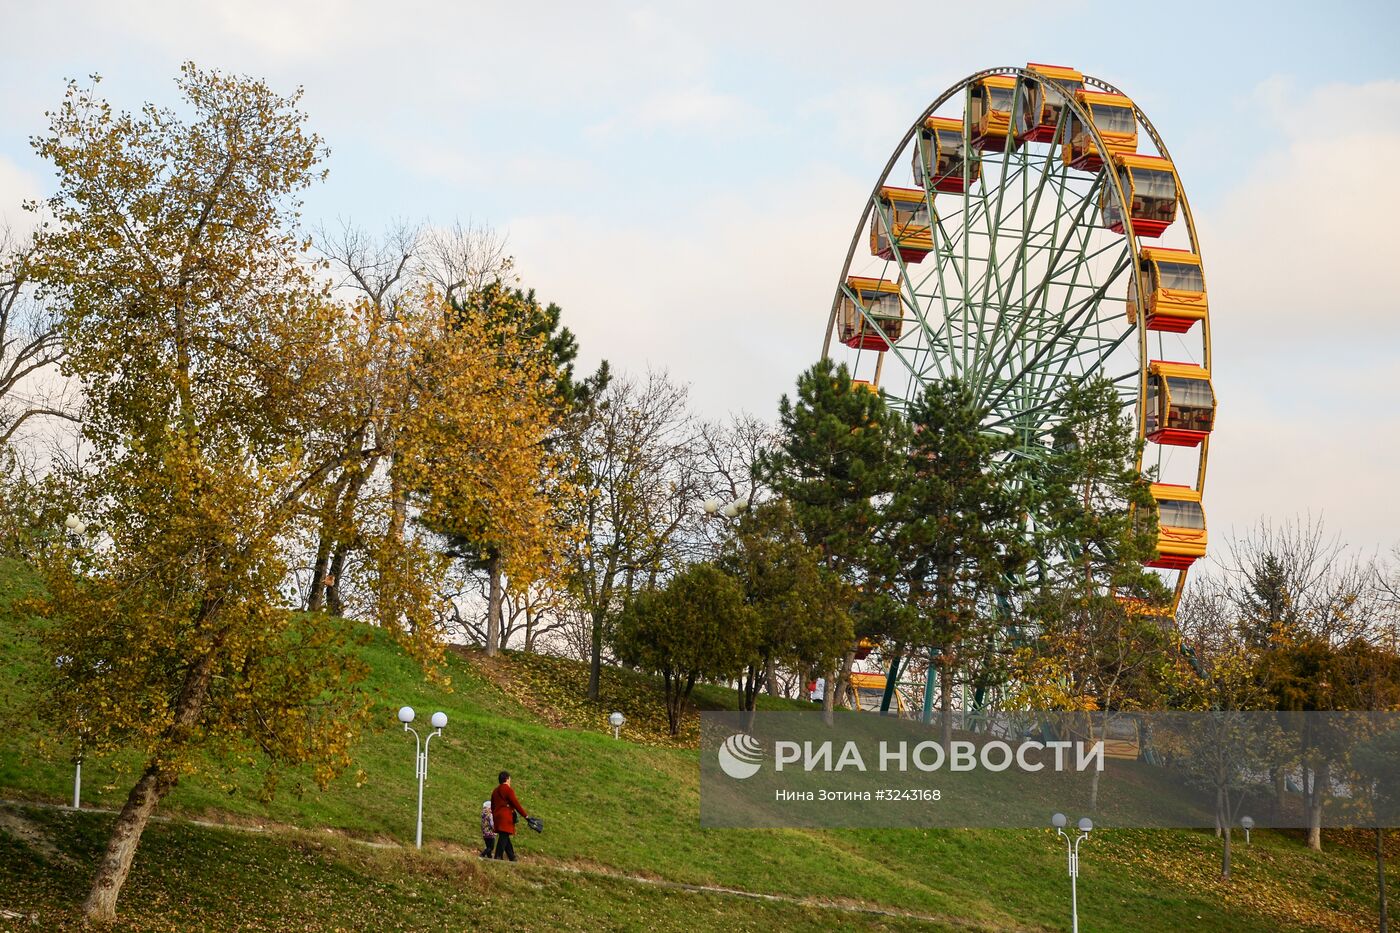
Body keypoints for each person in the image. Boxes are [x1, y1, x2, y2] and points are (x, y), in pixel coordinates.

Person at [490, 770, 529, 862]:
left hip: (497, 816)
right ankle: (498, 857)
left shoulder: (495, 791)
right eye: (510, 779)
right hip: (506, 817)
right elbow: (516, 803)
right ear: (507, 779)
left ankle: (512, 857)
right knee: (503, 836)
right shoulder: (508, 790)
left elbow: (492, 805)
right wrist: (525, 816)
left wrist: (494, 815)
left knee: (505, 836)